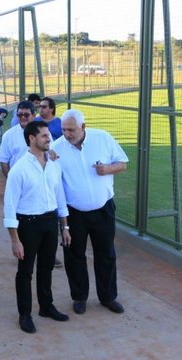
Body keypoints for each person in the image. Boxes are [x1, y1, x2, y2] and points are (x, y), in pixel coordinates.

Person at [50, 109, 128, 315]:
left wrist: (107, 169)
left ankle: (108, 296)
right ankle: (80, 297)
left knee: (106, 253)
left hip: (103, 209)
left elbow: (123, 164)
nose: (67, 134)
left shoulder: (102, 138)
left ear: (83, 127)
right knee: (74, 255)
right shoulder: (56, 149)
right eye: (64, 130)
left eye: (71, 130)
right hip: (74, 213)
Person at [3, 120, 71, 334]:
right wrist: (15, 240)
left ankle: (46, 306)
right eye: (44, 135)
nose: (49, 138)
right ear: (31, 138)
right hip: (28, 225)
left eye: (48, 135)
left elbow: (60, 196)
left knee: (47, 266)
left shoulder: (53, 163)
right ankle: (25, 314)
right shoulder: (19, 169)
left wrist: (65, 227)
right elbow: (10, 206)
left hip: (50, 222)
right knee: (25, 271)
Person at [0, 100, 36, 177]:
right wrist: (11, 180)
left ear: (34, 115)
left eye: (26, 115)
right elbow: (4, 162)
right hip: (17, 180)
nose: (23, 117)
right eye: (20, 115)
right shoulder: (8, 135)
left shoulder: (43, 132)